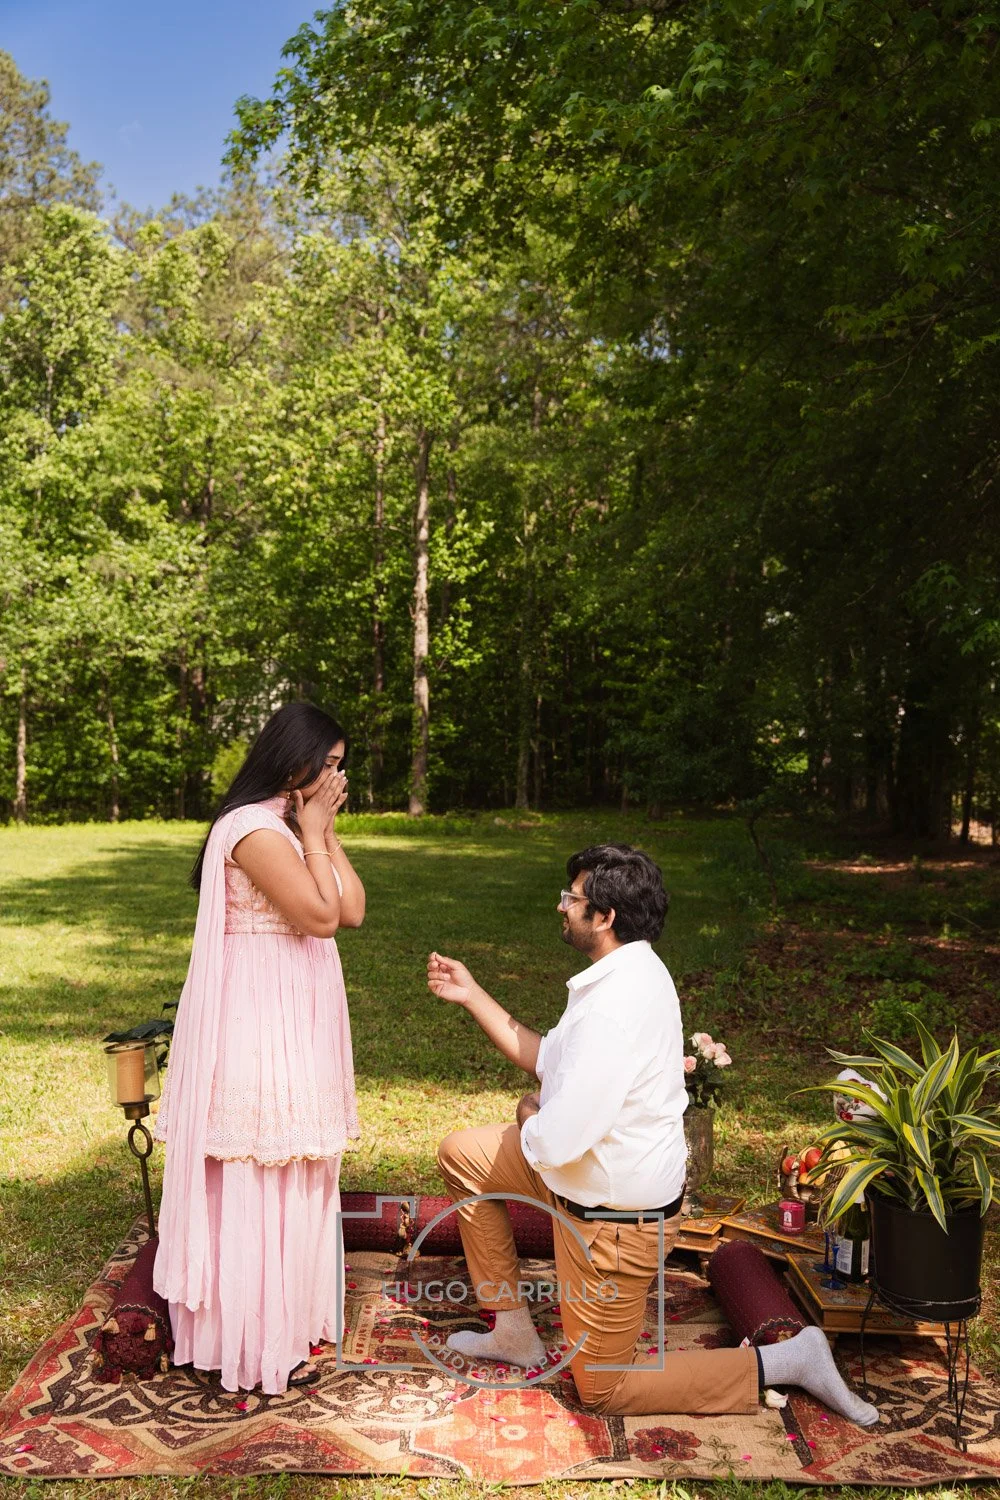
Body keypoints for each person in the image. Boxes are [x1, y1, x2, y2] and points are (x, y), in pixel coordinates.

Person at [429, 842, 878, 1426]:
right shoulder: (624, 970)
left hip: (615, 1222)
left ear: (606, 916)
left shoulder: (615, 1006)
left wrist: (528, 1116)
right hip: (580, 1183)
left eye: (572, 898)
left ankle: (788, 1359)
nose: (561, 906)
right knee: (465, 1155)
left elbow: (555, 1141)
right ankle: (514, 1330)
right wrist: (472, 995)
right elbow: (547, 1059)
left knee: (605, 1390)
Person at [153, 702, 365, 1394]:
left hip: (296, 1007)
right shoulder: (251, 827)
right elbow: (319, 916)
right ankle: (245, 1336)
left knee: (298, 1154)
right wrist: (310, 831)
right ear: (293, 758)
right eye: (329, 765)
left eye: (342, 765)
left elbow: (354, 908)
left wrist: (321, 833)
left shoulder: (291, 824)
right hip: (258, 1011)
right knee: (258, 1158)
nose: (338, 778)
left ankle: (293, 1318)